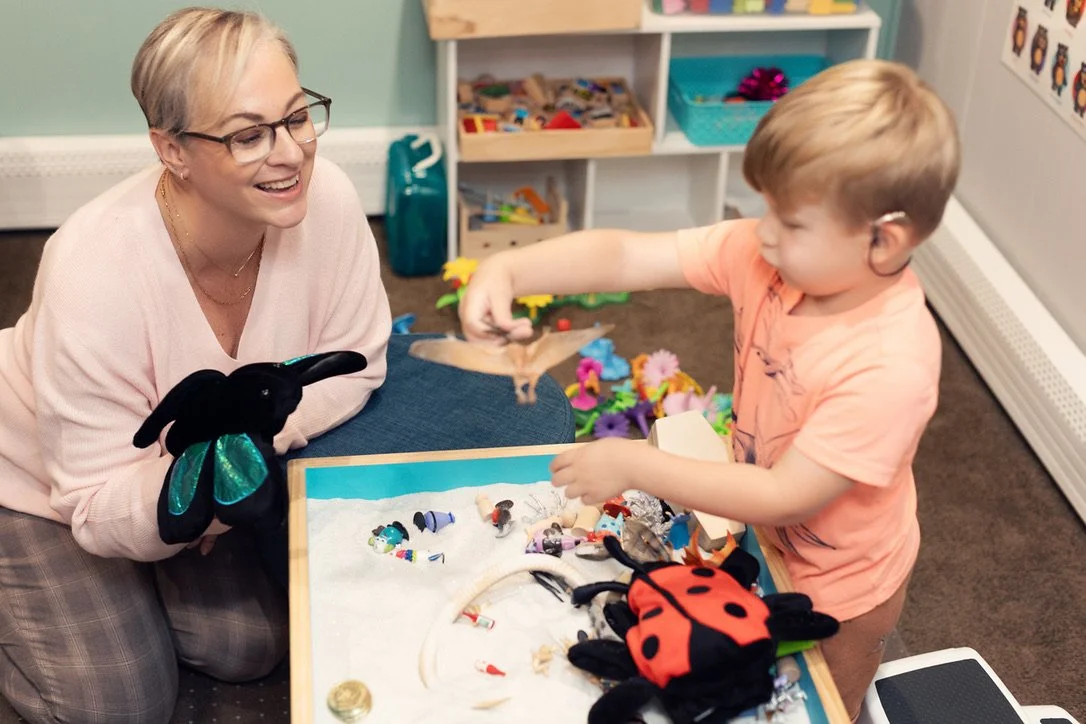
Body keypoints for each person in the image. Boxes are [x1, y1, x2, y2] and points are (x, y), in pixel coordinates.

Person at [0, 7, 572, 724]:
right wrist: (196, 490)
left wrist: (254, 446)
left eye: (298, 117)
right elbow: (90, 500)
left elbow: (360, 361)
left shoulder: (325, 200)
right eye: (249, 135)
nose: (292, 153)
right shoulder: (91, 269)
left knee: (250, 646)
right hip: (43, 481)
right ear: (171, 149)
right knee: (114, 705)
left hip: (165, 485)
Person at [460, 58, 961, 721]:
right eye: (765, 207)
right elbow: (628, 256)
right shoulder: (769, 256)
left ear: (882, 238)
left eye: (791, 220)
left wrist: (636, 463)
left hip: (844, 586)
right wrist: (509, 265)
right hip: (767, 539)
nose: (763, 230)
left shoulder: (891, 363)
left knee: (815, 704)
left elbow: (788, 494)